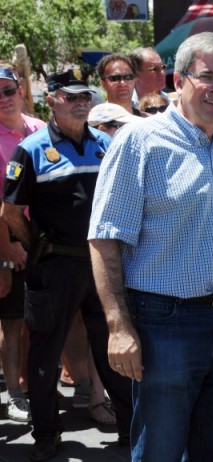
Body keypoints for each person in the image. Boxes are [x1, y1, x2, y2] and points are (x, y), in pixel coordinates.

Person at [87, 32, 213, 461]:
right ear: (179, 80)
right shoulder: (141, 141)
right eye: (207, 76)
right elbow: (104, 239)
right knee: (160, 450)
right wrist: (119, 327)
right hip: (165, 323)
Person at [2, 68, 133, 461]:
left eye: (85, 96)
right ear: (52, 101)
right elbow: (9, 212)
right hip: (54, 266)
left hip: (101, 265)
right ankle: (46, 435)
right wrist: (36, 245)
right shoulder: (33, 149)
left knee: (114, 343)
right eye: (71, 96)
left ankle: (130, 426)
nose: (81, 102)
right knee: (44, 353)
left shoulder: (105, 145)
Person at [0, 61, 42, 424]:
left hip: (43, 237)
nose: (3, 99)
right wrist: (7, 249)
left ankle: (33, 387)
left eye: (8, 91)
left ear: (21, 92)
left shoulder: (41, 129)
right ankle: (14, 394)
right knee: (12, 323)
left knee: (37, 320)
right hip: (8, 239)